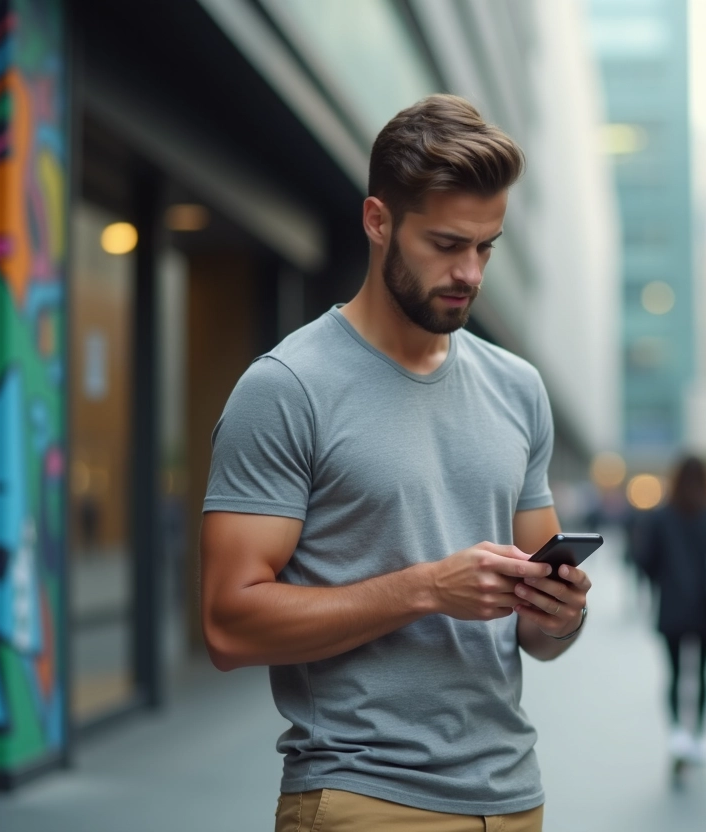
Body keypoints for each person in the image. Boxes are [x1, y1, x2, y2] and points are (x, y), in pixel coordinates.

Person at [199, 95, 592, 832]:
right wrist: (424, 589)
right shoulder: (287, 387)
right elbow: (228, 626)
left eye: (486, 247)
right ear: (378, 222)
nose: (469, 273)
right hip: (364, 799)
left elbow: (540, 636)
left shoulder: (518, 388)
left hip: (512, 798)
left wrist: (561, 613)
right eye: (446, 244)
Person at [636, 456, 706, 769]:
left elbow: (644, 561)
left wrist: (662, 581)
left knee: (674, 673)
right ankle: (700, 735)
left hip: (671, 604)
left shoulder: (660, 518)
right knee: (705, 673)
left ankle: (677, 734)